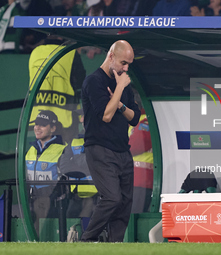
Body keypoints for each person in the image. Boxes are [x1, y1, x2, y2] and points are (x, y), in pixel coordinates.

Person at [80, 40, 141, 242]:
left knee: (124, 203)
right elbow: (106, 115)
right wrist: (120, 88)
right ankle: (86, 240)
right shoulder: (94, 81)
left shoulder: (123, 82)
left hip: (123, 150)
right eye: (124, 62)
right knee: (112, 198)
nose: (126, 68)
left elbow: (134, 118)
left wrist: (122, 104)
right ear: (111, 56)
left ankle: (114, 246)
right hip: (99, 148)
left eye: (129, 64)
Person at [28, 35, 86, 143]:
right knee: (67, 153)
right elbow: (80, 80)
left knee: (42, 152)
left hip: (38, 112)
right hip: (65, 115)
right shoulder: (70, 53)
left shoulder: (35, 52)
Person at [26, 110, 66, 234]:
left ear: (53, 128)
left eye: (42, 125)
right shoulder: (31, 149)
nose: (37, 128)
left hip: (53, 202)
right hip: (31, 200)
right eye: (36, 124)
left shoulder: (63, 148)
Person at [59, 108, 98, 218]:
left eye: (84, 116)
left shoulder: (104, 138)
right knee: (71, 228)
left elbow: (96, 162)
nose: (81, 120)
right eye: (81, 116)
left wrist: (76, 161)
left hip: (98, 195)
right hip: (76, 195)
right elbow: (64, 167)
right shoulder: (74, 140)